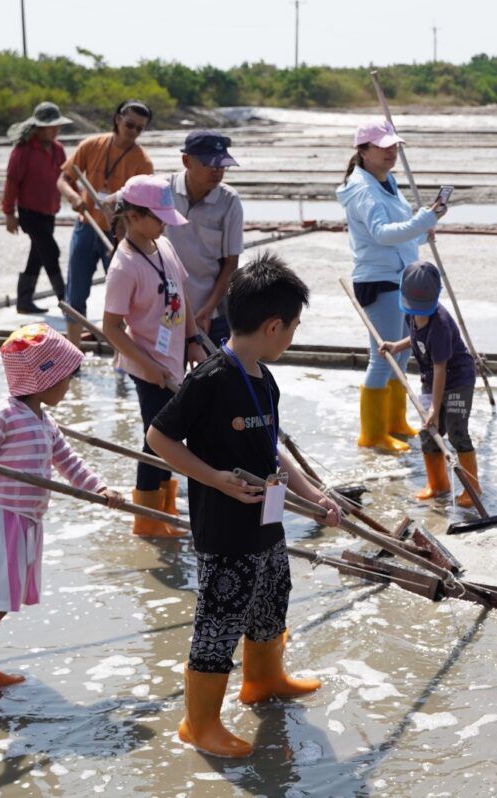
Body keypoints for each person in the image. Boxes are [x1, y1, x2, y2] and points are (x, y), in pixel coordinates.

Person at [147, 253, 342, 758]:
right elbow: (158, 437)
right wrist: (214, 478)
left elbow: (273, 448)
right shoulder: (210, 378)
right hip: (225, 528)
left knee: (273, 593)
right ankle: (200, 724)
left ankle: (265, 678)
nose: (292, 337)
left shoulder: (264, 378)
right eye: (293, 328)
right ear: (274, 325)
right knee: (220, 616)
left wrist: (311, 495)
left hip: (268, 521)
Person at [0, 324, 123, 727]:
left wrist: (101, 488)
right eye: (64, 378)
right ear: (41, 381)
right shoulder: (4, 415)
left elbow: (69, 463)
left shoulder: (44, 422)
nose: (69, 386)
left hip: (24, 523)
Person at [101, 175, 206, 536]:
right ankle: (147, 522)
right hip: (148, 367)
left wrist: (193, 338)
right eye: (158, 217)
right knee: (156, 442)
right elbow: (111, 328)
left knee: (169, 439)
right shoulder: (123, 266)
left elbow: (183, 295)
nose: (164, 224)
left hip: (173, 359)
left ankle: (165, 513)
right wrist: (149, 368)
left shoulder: (164, 247)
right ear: (132, 215)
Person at [336, 119, 447, 454]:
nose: (391, 152)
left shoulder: (387, 180)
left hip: (401, 275)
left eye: (394, 146)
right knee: (383, 356)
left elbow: (399, 228)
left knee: (406, 349)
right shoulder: (362, 189)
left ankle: (395, 422)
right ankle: (372, 433)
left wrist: (419, 231)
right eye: (383, 147)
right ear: (363, 151)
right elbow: (382, 233)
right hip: (378, 278)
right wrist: (424, 220)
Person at [378, 260, 480, 507]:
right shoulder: (412, 315)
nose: (419, 313)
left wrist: (435, 408)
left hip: (457, 382)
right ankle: (438, 485)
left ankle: (472, 488)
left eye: (423, 308)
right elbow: (415, 340)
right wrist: (396, 345)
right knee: (427, 433)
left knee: (456, 432)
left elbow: (440, 367)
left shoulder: (441, 325)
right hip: (431, 381)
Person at [57, 99, 155, 345]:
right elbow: (63, 179)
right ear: (117, 119)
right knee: (75, 293)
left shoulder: (142, 161)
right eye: (130, 125)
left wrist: (121, 217)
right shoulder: (92, 145)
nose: (133, 132)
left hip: (118, 235)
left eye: (139, 129)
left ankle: (120, 356)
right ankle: (73, 351)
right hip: (86, 226)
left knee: (120, 298)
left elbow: (142, 203)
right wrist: (73, 197)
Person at [163, 130, 245, 347]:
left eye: (222, 165)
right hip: (165, 309)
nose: (217, 171)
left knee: (218, 375)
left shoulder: (229, 201)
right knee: (167, 377)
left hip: (211, 311)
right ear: (186, 160)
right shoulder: (163, 189)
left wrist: (208, 309)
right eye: (209, 164)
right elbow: (122, 205)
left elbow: (231, 263)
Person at [2, 101, 72, 314]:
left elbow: (67, 177)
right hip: (29, 212)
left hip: (49, 211)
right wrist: (9, 213)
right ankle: (66, 301)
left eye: (57, 127)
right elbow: (12, 181)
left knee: (38, 254)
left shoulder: (58, 149)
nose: (56, 131)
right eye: (52, 127)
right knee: (50, 251)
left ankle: (24, 301)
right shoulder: (23, 150)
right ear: (39, 127)